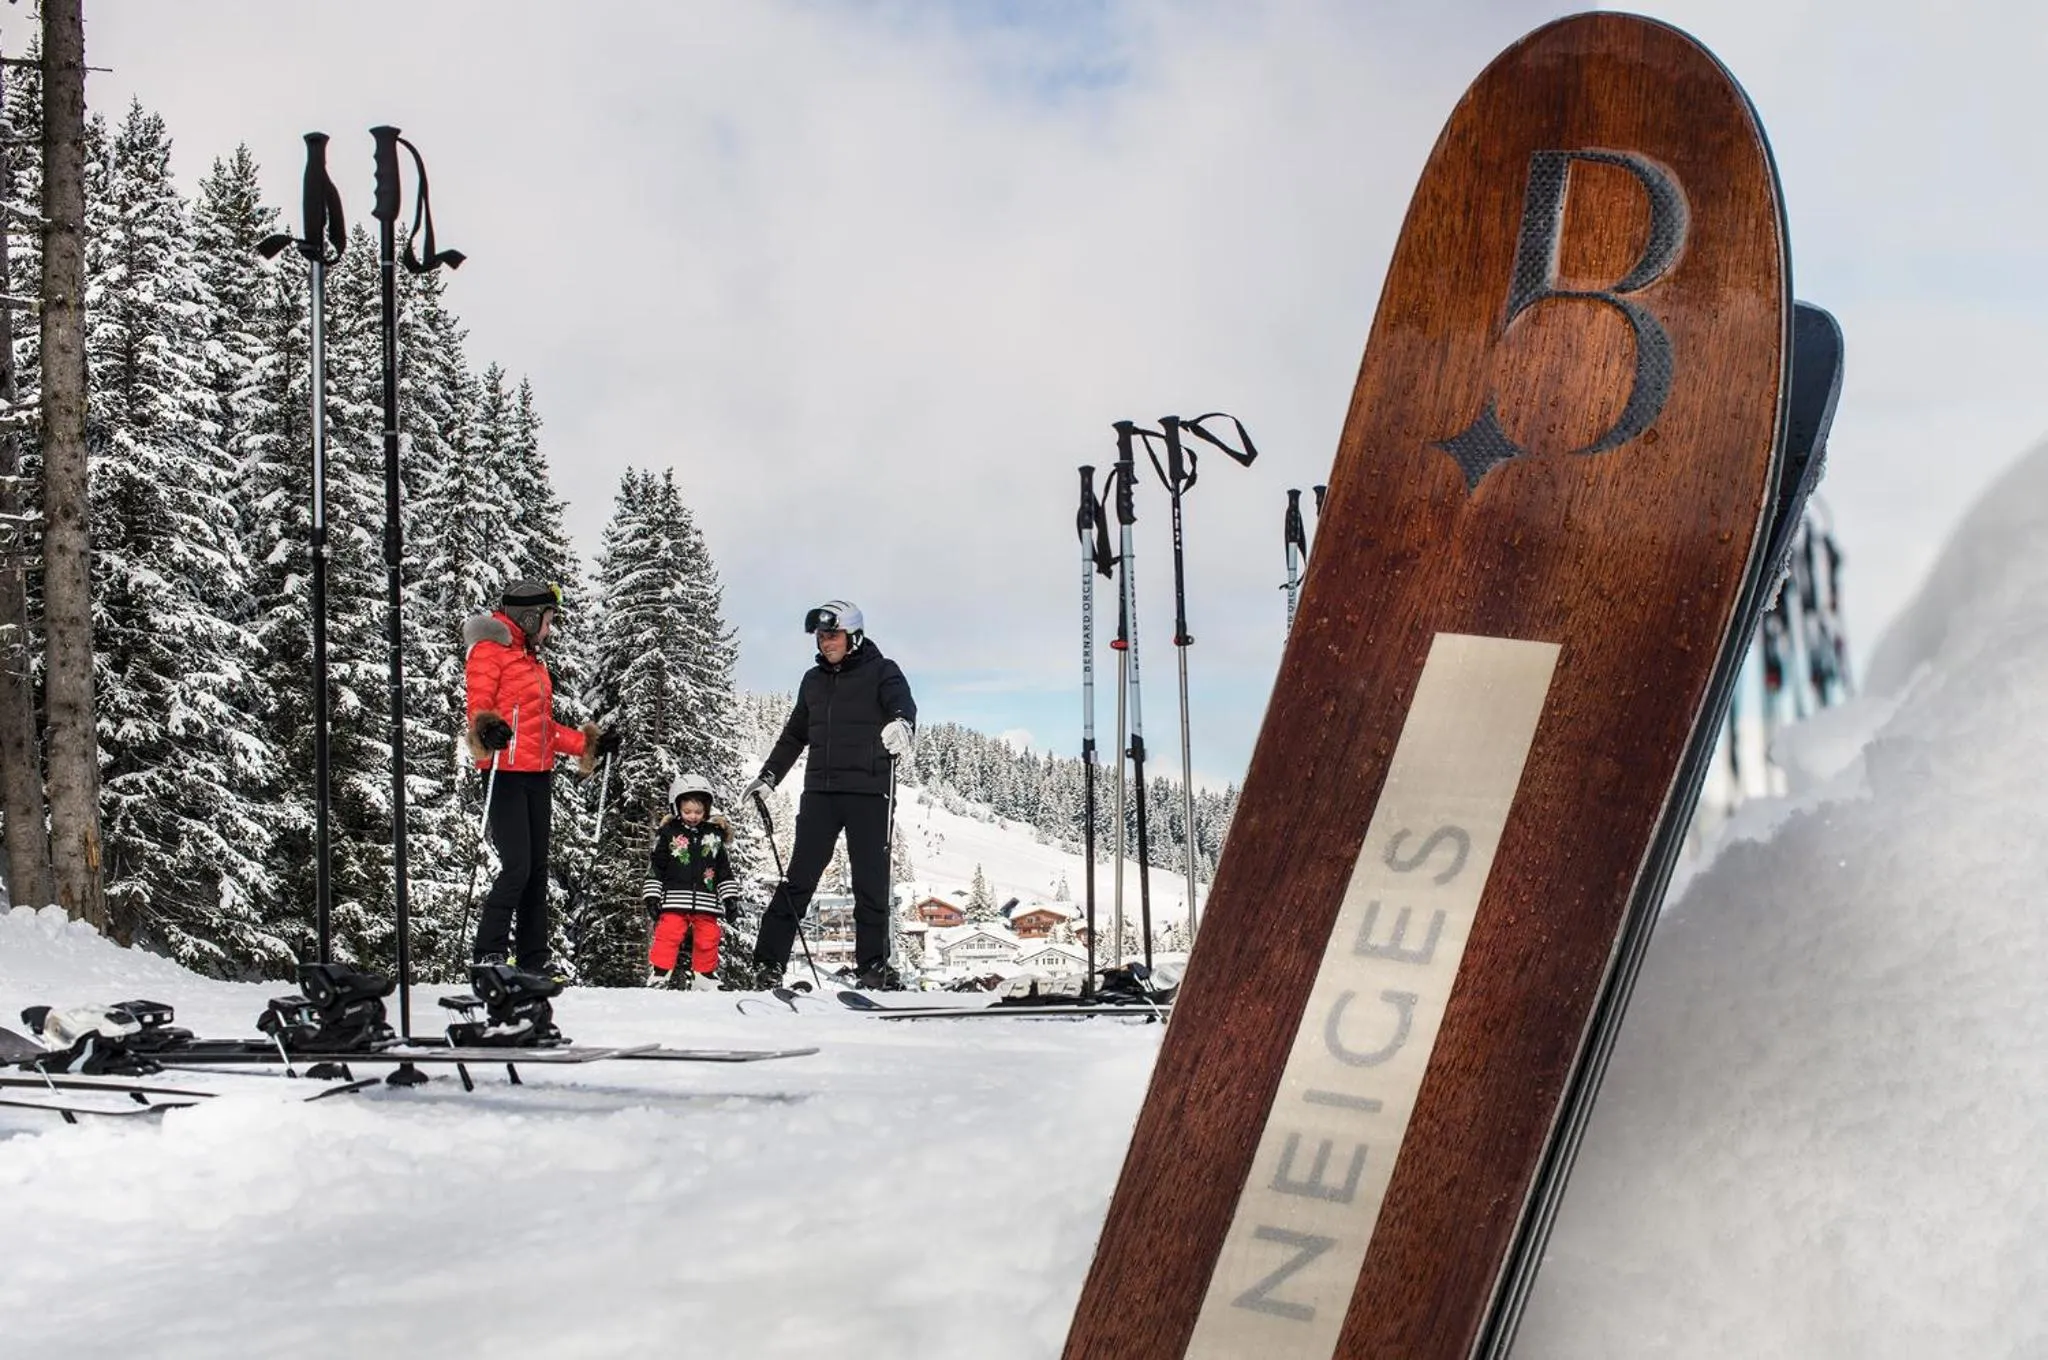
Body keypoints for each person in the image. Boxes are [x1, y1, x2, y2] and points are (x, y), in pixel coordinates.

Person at [744, 599, 917, 990]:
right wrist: (769, 776)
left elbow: (903, 706)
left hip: (869, 793)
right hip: (820, 793)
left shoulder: (883, 672)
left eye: (833, 634)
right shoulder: (813, 680)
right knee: (798, 879)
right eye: (822, 636)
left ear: (853, 635)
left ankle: (873, 967)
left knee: (870, 883)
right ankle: (767, 965)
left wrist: (904, 726)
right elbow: (794, 734)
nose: (826, 642)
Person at [463, 578, 619, 977]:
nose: (550, 629)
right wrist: (487, 727)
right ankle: (488, 953)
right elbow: (478, 703)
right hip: (505, 774)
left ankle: (534, 961)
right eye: (548, 620)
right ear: (529, 617)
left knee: (535, 869)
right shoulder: (489, 650)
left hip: (537, 774)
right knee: (516, 866)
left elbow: (541, 728)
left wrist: (589, 744)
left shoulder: (531, 659)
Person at [642, 773, 740, 990]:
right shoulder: (669, 833)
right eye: (687, 811)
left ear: (706, 809)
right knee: (668, 934)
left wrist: (730, 898)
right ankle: (660, 973)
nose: (693, 816)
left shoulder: (714, 835)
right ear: (677, 807)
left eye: (698, 812)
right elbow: (657, 866)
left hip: (706, 901)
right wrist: (651, 896)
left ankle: (704, 975)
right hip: (675, 898)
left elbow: (723, 870)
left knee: (709, 936)